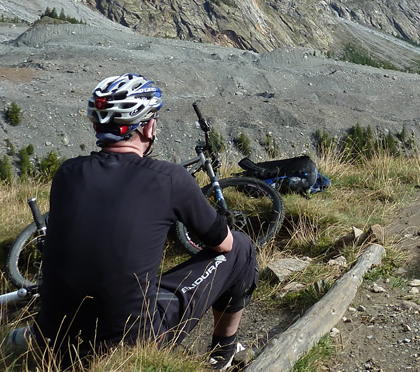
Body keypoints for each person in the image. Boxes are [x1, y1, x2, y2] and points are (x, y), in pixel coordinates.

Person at [22, 73, 257, 369]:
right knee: (242, 248)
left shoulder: (67, 174)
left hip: (54, 343)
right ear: (148, 126)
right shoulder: (170, 178)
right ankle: (224, 352)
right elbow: (223, 243)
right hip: (131, 345)